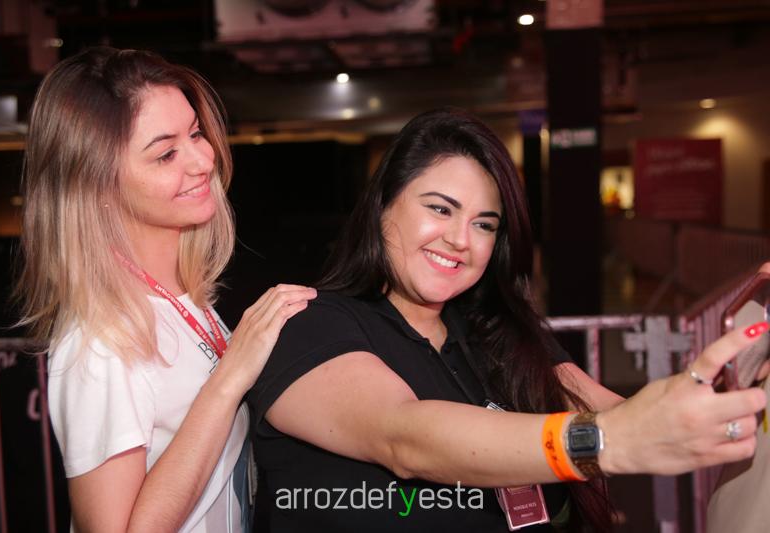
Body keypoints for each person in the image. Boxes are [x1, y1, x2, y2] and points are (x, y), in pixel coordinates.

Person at [247, 108, 768, 532]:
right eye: (440, 209)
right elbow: (406, 438)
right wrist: (609, 440)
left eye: (484, 224)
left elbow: (621, 412)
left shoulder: (496, 331)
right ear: (382, 205)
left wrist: (733, 385)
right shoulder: (308, 324)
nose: (460, 239)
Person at [15, 46, 316, 532]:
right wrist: (229, 380)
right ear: (98, 185)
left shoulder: (182, 301)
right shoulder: (102, 341)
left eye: (195, 133)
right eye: (166, 153)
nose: (202, 160)